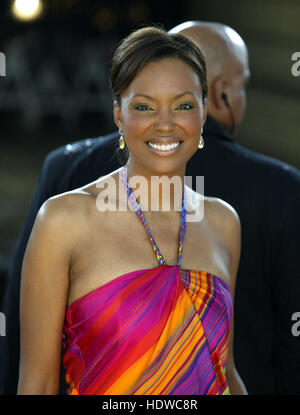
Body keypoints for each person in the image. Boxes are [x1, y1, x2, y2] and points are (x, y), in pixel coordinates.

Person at [1, 21, 300, 395]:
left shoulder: (224, 221)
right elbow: (37, 385)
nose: (164, 124)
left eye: (183, 105)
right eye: (144, 106)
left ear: (204, 114)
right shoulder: (63, 221)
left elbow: (225, 370)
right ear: (118, 115)